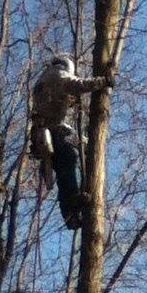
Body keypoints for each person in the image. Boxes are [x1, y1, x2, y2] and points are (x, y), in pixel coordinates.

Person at [30, 54, 108, 230]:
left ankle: (70, 214)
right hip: (50, 130)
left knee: (73, 151)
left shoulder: (43, 81)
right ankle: (72, 201)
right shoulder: (58, 74)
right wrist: (103, 81)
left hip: (42, 132)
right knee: (69, 158)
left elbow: (54, 102)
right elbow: (78, 85)